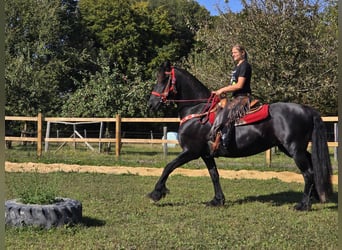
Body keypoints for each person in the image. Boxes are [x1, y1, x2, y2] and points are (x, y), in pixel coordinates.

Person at [208, 44, 252, 155]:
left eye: (235, 52)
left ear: (243, 53)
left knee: (227, 114)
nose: (233, 54)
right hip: (236, 97)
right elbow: (232, 85)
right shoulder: (236, 67)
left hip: (243, 98)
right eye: (232, 53)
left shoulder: (245, 66)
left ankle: (225, 142)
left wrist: (221, 90)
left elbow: (239, 85)